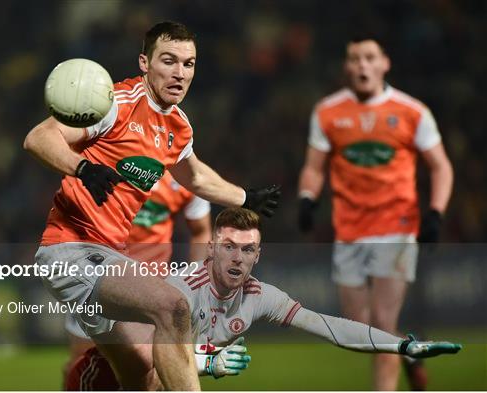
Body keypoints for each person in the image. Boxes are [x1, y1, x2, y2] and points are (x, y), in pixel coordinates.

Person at [23, 21, 280, 391]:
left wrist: (244, 197)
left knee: (146, 377)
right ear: (145, 63)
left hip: (109, 259)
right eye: (169, 61)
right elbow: (38, 138)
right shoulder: (116, 104)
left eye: (188, 64)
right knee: (174, 306)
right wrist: (82, 167)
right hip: (72, 251)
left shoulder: (178, 126)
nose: (180, 73)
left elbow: (195, 176)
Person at [66, 207, 461, 391]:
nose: (238, 258)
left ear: (259, 255)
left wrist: (402, 344)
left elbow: (329, 327)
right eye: (229, 247)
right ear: (211, 249)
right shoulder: (178, 290)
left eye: (248, 250)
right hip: (105, 381)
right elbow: (148, 361)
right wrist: (208, 361)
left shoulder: (260, 296)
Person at [297, 35, 454, 390]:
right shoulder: (328, 111)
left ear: (385, 63)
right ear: (346, 67)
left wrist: (435, 213)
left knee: (382, 323)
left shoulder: (412, 112)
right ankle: (411, 352)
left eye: (369, 57)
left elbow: (441, 167)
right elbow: (314, 167)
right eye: (354, 58)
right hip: (349, 229)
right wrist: (307, 197)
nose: (362, 65)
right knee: (358, 328)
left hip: (396, 227)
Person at [63, 171, 212, 387]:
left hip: (153, 288)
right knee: (83, 363)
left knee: (152, 374)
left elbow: (201, 231)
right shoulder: (109, 161)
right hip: (100, 282)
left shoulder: (187, 176)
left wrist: (194, 281)